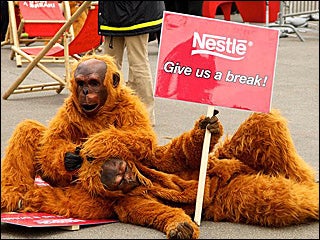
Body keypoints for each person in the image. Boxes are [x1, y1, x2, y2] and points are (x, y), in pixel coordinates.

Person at [98, 1, 165, 126]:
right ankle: (139, 114)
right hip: (124, 13)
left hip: (132, 13)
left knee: (128, 64)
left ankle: (142, 114)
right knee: (112, 65)